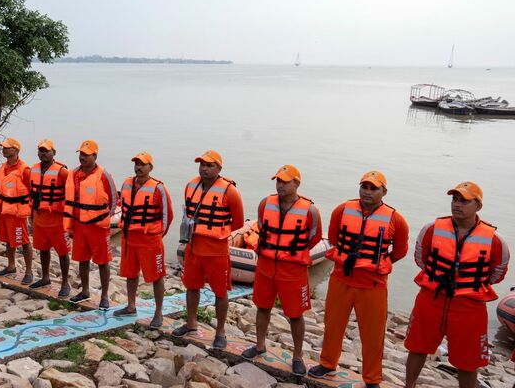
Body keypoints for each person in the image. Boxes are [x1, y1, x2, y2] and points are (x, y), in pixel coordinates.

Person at [308, 171, 409, 388]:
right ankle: (327, 363)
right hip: (341, 278)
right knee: (333, 325)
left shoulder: (395, 219)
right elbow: (334, 238)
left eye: (374, 188)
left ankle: (372, 379)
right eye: (364, 187)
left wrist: (377, 263)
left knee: (373, 335)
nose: (368, 192)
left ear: (384, 192)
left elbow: (400, 252)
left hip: (373, 284)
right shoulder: (342, 210)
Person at [404, 182, 510, 388]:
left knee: (468, 362)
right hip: (431, 298)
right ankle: (409, 386)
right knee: (417, 348)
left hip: (469, 306)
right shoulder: (431, 229)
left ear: (478, 206)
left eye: (464, 201)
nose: (457, 205)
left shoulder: (495, 240)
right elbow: (421, 258)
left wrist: (470, 284)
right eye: (455, 199)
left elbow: (498, 271)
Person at [241, 165, 322, 376]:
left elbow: (314, 237)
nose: (280, 185)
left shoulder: (310, 210)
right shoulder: (265, 203)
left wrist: (292, 254)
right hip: (267, 265)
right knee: (262, 307)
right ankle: (259, 345)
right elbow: (261, 226)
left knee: (295, 314)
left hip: (293, 269)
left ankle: (297, 356)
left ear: (297, 183)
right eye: (278, 181)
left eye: (285, 181)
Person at [172, 150, 244, 349]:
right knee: (191, 287)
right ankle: (191, 322)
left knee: (220, 292)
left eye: (209, 165)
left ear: (219, 168)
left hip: (216, 250)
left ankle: (220, 331)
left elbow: (237, 223)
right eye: (202, 164)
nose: (204, 168)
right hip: (194, 247)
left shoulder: (230, 191)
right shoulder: (191, 185)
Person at [113, 151, 173, 329]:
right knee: (130, 273)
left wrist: (157, 235)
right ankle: (131, 306)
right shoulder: (126, 183)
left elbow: (167, 216)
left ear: (150, 167)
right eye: (136, 164)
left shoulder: (158, 188)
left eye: (142, 164)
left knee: (156, 276)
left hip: (149, 239)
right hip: (129, 237)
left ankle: (158, 313)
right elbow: (121, 206)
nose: (138, 167)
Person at [63, 139, 117, 309]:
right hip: (79, 225)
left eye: (86, 155)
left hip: (98, 227)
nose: (82, 157)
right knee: (82, 259)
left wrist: (104, 217)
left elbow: (114, 200)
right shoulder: (73, 174)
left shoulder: (103, 175)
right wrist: (70, 225)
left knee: (103, 261)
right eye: (81, 154)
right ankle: (85, 291)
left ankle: (105, 296)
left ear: (95, 155)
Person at [27, 139, 72, 295]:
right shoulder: (33, 170)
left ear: (54, 152)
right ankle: (45, 277)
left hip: (57, 220)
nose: (43, 153)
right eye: (41, 150)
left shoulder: (62, 172)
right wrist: (31, 215)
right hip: (39, 218)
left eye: (46, 150)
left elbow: (72, 193)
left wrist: (70, 218)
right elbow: (31, 193)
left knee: (62, 252)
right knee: (43, 249)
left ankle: (65, 283)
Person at [0, 137, 35, 284]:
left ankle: (29, 272)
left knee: (23, 240)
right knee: (9, 239)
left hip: (18, 211)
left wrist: (31, 210)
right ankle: (11, 266)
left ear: (15, 150)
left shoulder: (24, 169)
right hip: (4, 208)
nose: (3, 149)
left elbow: (32, 191)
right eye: (3, 147)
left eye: (7, 147)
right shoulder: (3, 167)